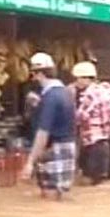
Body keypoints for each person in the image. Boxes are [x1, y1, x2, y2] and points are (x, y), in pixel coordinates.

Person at [23, 52, 77, 199]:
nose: (32, 78)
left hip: (54, 149)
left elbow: (43, 132)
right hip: (67, 145)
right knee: (59, 196)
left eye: (33, 74)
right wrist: (39, 104)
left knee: (50, 196)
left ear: (39, 74)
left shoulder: (51, 97)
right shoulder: (64, 93)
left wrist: (30, 162)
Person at [72, 62, 110, 185]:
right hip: (105, 144)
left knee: (88, 183)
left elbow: (78, 119)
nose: (75, 82)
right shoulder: (106, 92)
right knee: (99, 183)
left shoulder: (88, 96)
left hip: (92, 145)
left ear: (84, 78)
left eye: (76, 79)